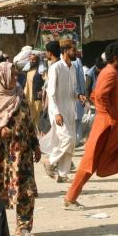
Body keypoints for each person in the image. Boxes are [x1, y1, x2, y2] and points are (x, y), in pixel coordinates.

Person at [64, 42, 118, 210]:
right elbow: (101, 96)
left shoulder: (107, 71)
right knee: (89, 163)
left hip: (109, 126)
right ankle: (70, 197)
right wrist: (111, 117)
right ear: (116, 58)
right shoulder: (110, 73)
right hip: (107, 127)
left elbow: (95, 93)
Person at [0, 62, 41, 236]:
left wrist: (35, 144)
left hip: (22, 154)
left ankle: (24, 228)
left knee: (26, 191)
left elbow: (28, 121)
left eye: (15, 75)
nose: (15, 78)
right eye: (11, 75)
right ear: (2, 76)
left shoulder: (19, 95)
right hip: (0, 154)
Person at [41, 40, 84, 183]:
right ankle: (50, 161)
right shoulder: (56, 67)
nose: (76, 52)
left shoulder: (72, 67)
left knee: (71, 144)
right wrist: (57, 113)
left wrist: (79, 96)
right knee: (67, 139)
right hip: (58, 112)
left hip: (70, 110)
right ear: (65, 51)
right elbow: (51, 93)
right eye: (73, 50)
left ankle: (62, 174)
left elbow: (72, 91)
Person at [24, 52, 45, 128]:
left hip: (37, 97)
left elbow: (47, 82)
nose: (32, 61)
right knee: (30, 116)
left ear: (38, 60)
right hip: (28, 98)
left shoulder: (41, 71)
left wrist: (43, 90)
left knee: (37, 116)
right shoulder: (28, 70)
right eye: (31, 60)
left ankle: (38, 134)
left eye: (34, 60)